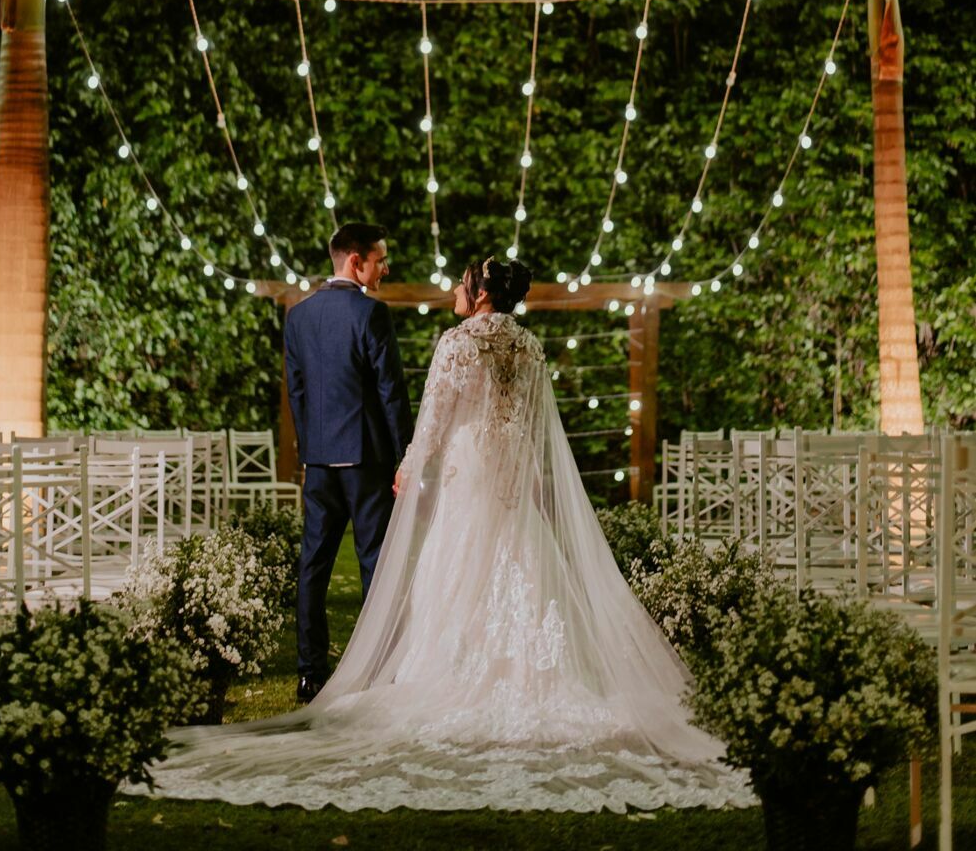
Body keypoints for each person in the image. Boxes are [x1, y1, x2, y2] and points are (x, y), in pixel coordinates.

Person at [143, 255, 752, 814]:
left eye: (464, 282)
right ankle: (526, 673)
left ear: (482, 293)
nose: (457, 290)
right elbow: (538, 426)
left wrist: (408, 466)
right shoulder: (532, 347)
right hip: (511, 473)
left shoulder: (457, 343)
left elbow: (435, 417)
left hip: (467, 472)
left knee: (457, 565)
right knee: (520, 559)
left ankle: (452, 673)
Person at [284, 221, 413, 703]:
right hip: (366, 461)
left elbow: (297, 393)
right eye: (380, 259)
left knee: (313, 565)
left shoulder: (298, 317)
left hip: (319, 463)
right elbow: (391, 393)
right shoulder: (370, 314)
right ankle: (380, 669)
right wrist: (407, 453)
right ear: (355, 261)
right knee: (375, 565)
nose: (386, 267)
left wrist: (310, 449)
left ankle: (309, 673)